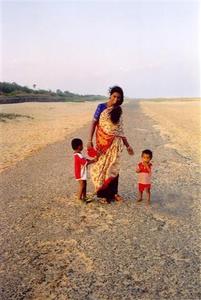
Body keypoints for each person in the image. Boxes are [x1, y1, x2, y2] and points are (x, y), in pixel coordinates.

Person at [88, 86, 134, 203]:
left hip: (115, 143)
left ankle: (114, 193)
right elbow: (93, 123)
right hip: (102, 142)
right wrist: (89, 140)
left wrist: (128, 145)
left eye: (119, 97)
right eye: (114, 96)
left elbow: (119, 130)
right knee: (102, 167)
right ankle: (103, 194)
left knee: (114, 167)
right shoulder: (101, 107)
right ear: (110, 95)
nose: (116, 99)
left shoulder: (118, 109)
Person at [71, 138, 96, 202]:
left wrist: (93, 161)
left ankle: (84, 197)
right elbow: (85, 162)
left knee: (85, 184)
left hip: (82, 172)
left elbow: (85, 160)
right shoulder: (78, 155)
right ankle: (79, 198)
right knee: (82, 185)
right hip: (80, 173)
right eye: (82, 145)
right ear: (79, 146)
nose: (83, 146)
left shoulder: (79, 154)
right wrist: (93, 160)